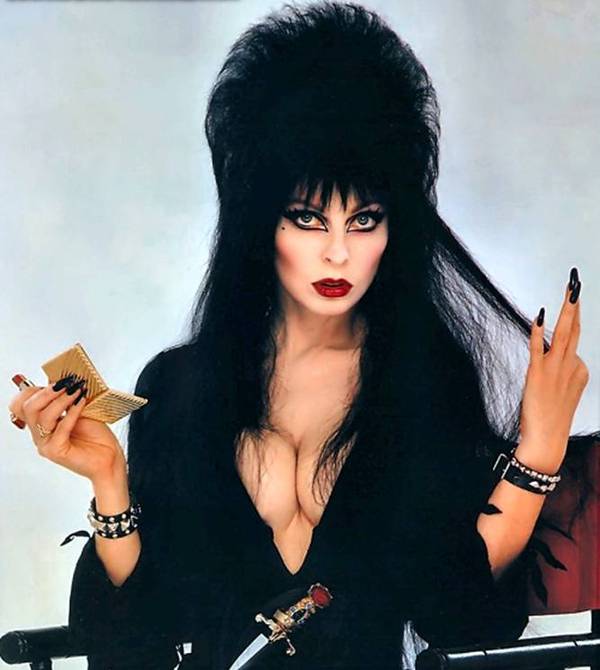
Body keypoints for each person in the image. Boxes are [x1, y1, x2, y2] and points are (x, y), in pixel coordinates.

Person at [8, 2, 599, 669]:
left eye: (364, 219)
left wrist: (541, 449)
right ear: (260, 221)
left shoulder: (424, 380)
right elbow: (142, 635)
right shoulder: (179, 387)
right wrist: (109, 479)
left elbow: (455, 611)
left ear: (395, 228)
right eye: (308, 219)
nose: (338, 253)